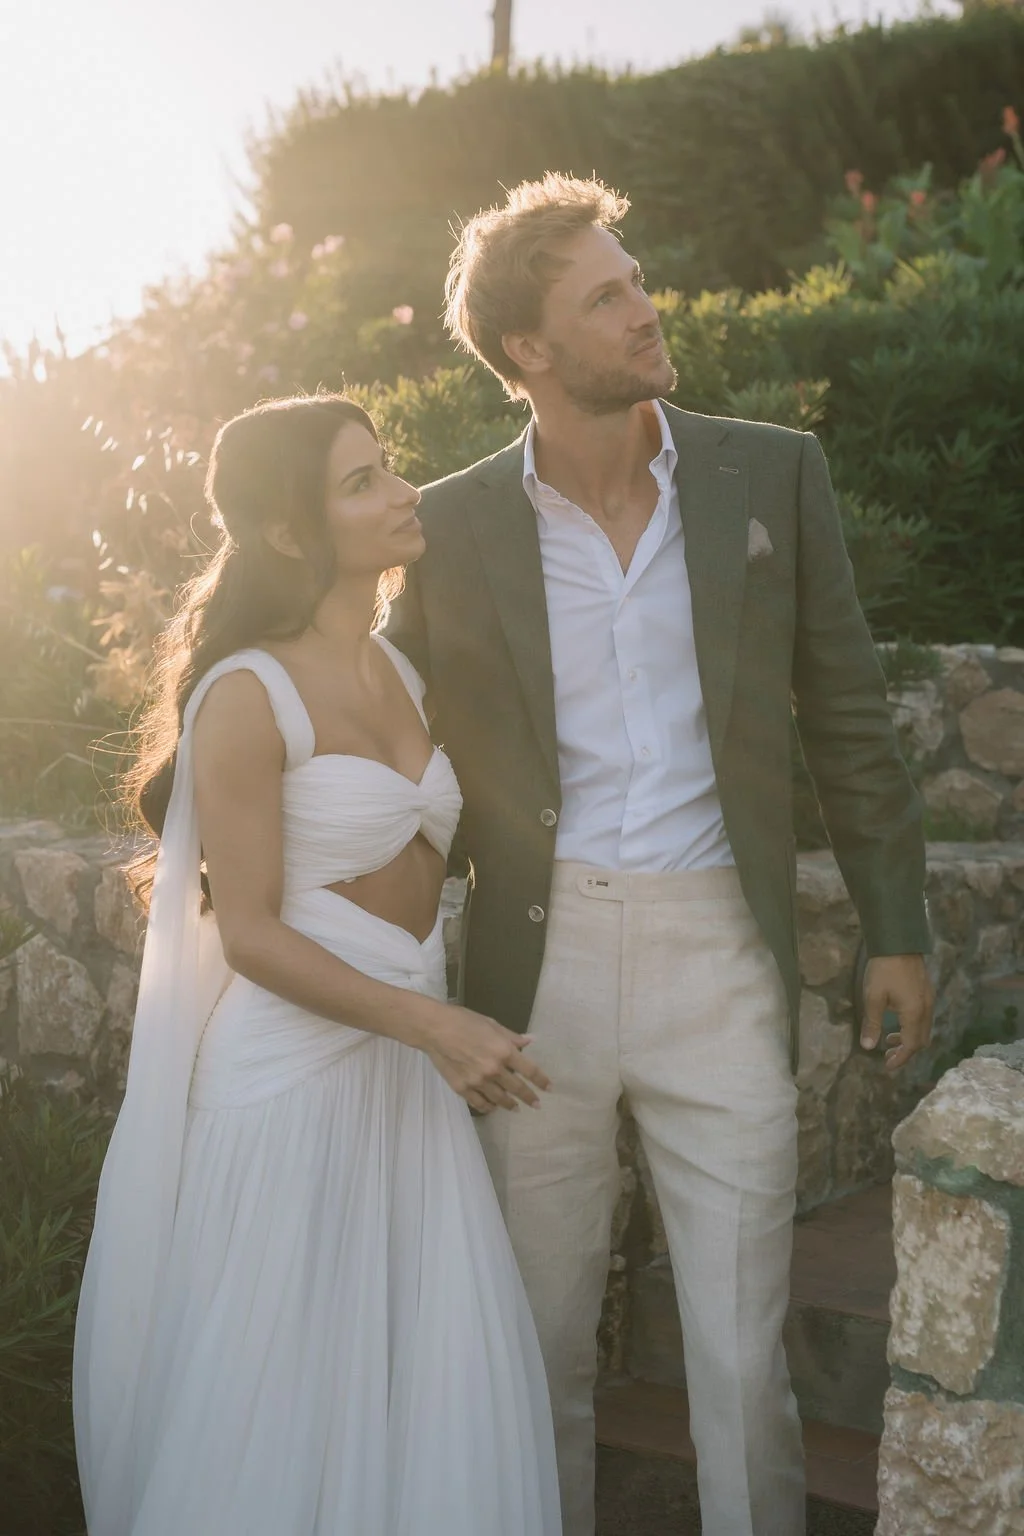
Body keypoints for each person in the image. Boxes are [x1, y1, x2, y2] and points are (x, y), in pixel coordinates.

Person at [386, 174, 935, 1536]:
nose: (646, 309)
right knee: (544, 1341)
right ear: (527, 350)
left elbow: (849, 713)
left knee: (743, 1357)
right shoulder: (450, 526)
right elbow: (373, 721)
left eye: (636, 279)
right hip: (538, 970)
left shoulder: (771, 472)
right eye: (606, 296)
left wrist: (899, 925)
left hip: (720, 960)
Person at [73, 394, 562, 1536]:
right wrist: (435, 1025)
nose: (402, 494)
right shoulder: (246, 692)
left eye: (388, 470)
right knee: (281, 1398)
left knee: (406, 1398)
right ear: (291, 532)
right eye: (361, 482)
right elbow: (247, 931)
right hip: (291, 1083)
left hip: (406, 1081)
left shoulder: (405, 674)